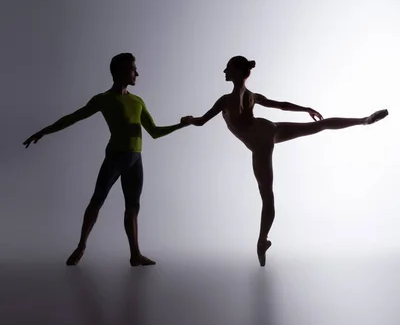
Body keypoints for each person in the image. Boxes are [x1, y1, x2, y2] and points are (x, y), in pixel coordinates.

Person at [181, 56, 389, 266]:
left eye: (227, 68)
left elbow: (200, 122)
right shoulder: (253, 96)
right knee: (319, 126)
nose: (224, 71)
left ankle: (262, 241)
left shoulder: (224, 100)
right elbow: (281, 105)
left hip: (260, 140)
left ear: (236, 72)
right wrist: (306, 109)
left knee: (267, 196)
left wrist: (188, 119)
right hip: (270, 128)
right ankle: (363, 120)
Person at [23, 53, 188, 266]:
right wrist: (44, 131)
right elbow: (73, 118)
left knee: (133, 206)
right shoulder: (103, 99)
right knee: (97, 201)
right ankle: (81, 246)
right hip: (115, 158)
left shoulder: (137, 100)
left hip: (135, 160)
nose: (137, 72)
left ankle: (135, 254)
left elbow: (154, 132)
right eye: (132, 69)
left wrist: (180, 125)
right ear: (119, 71)